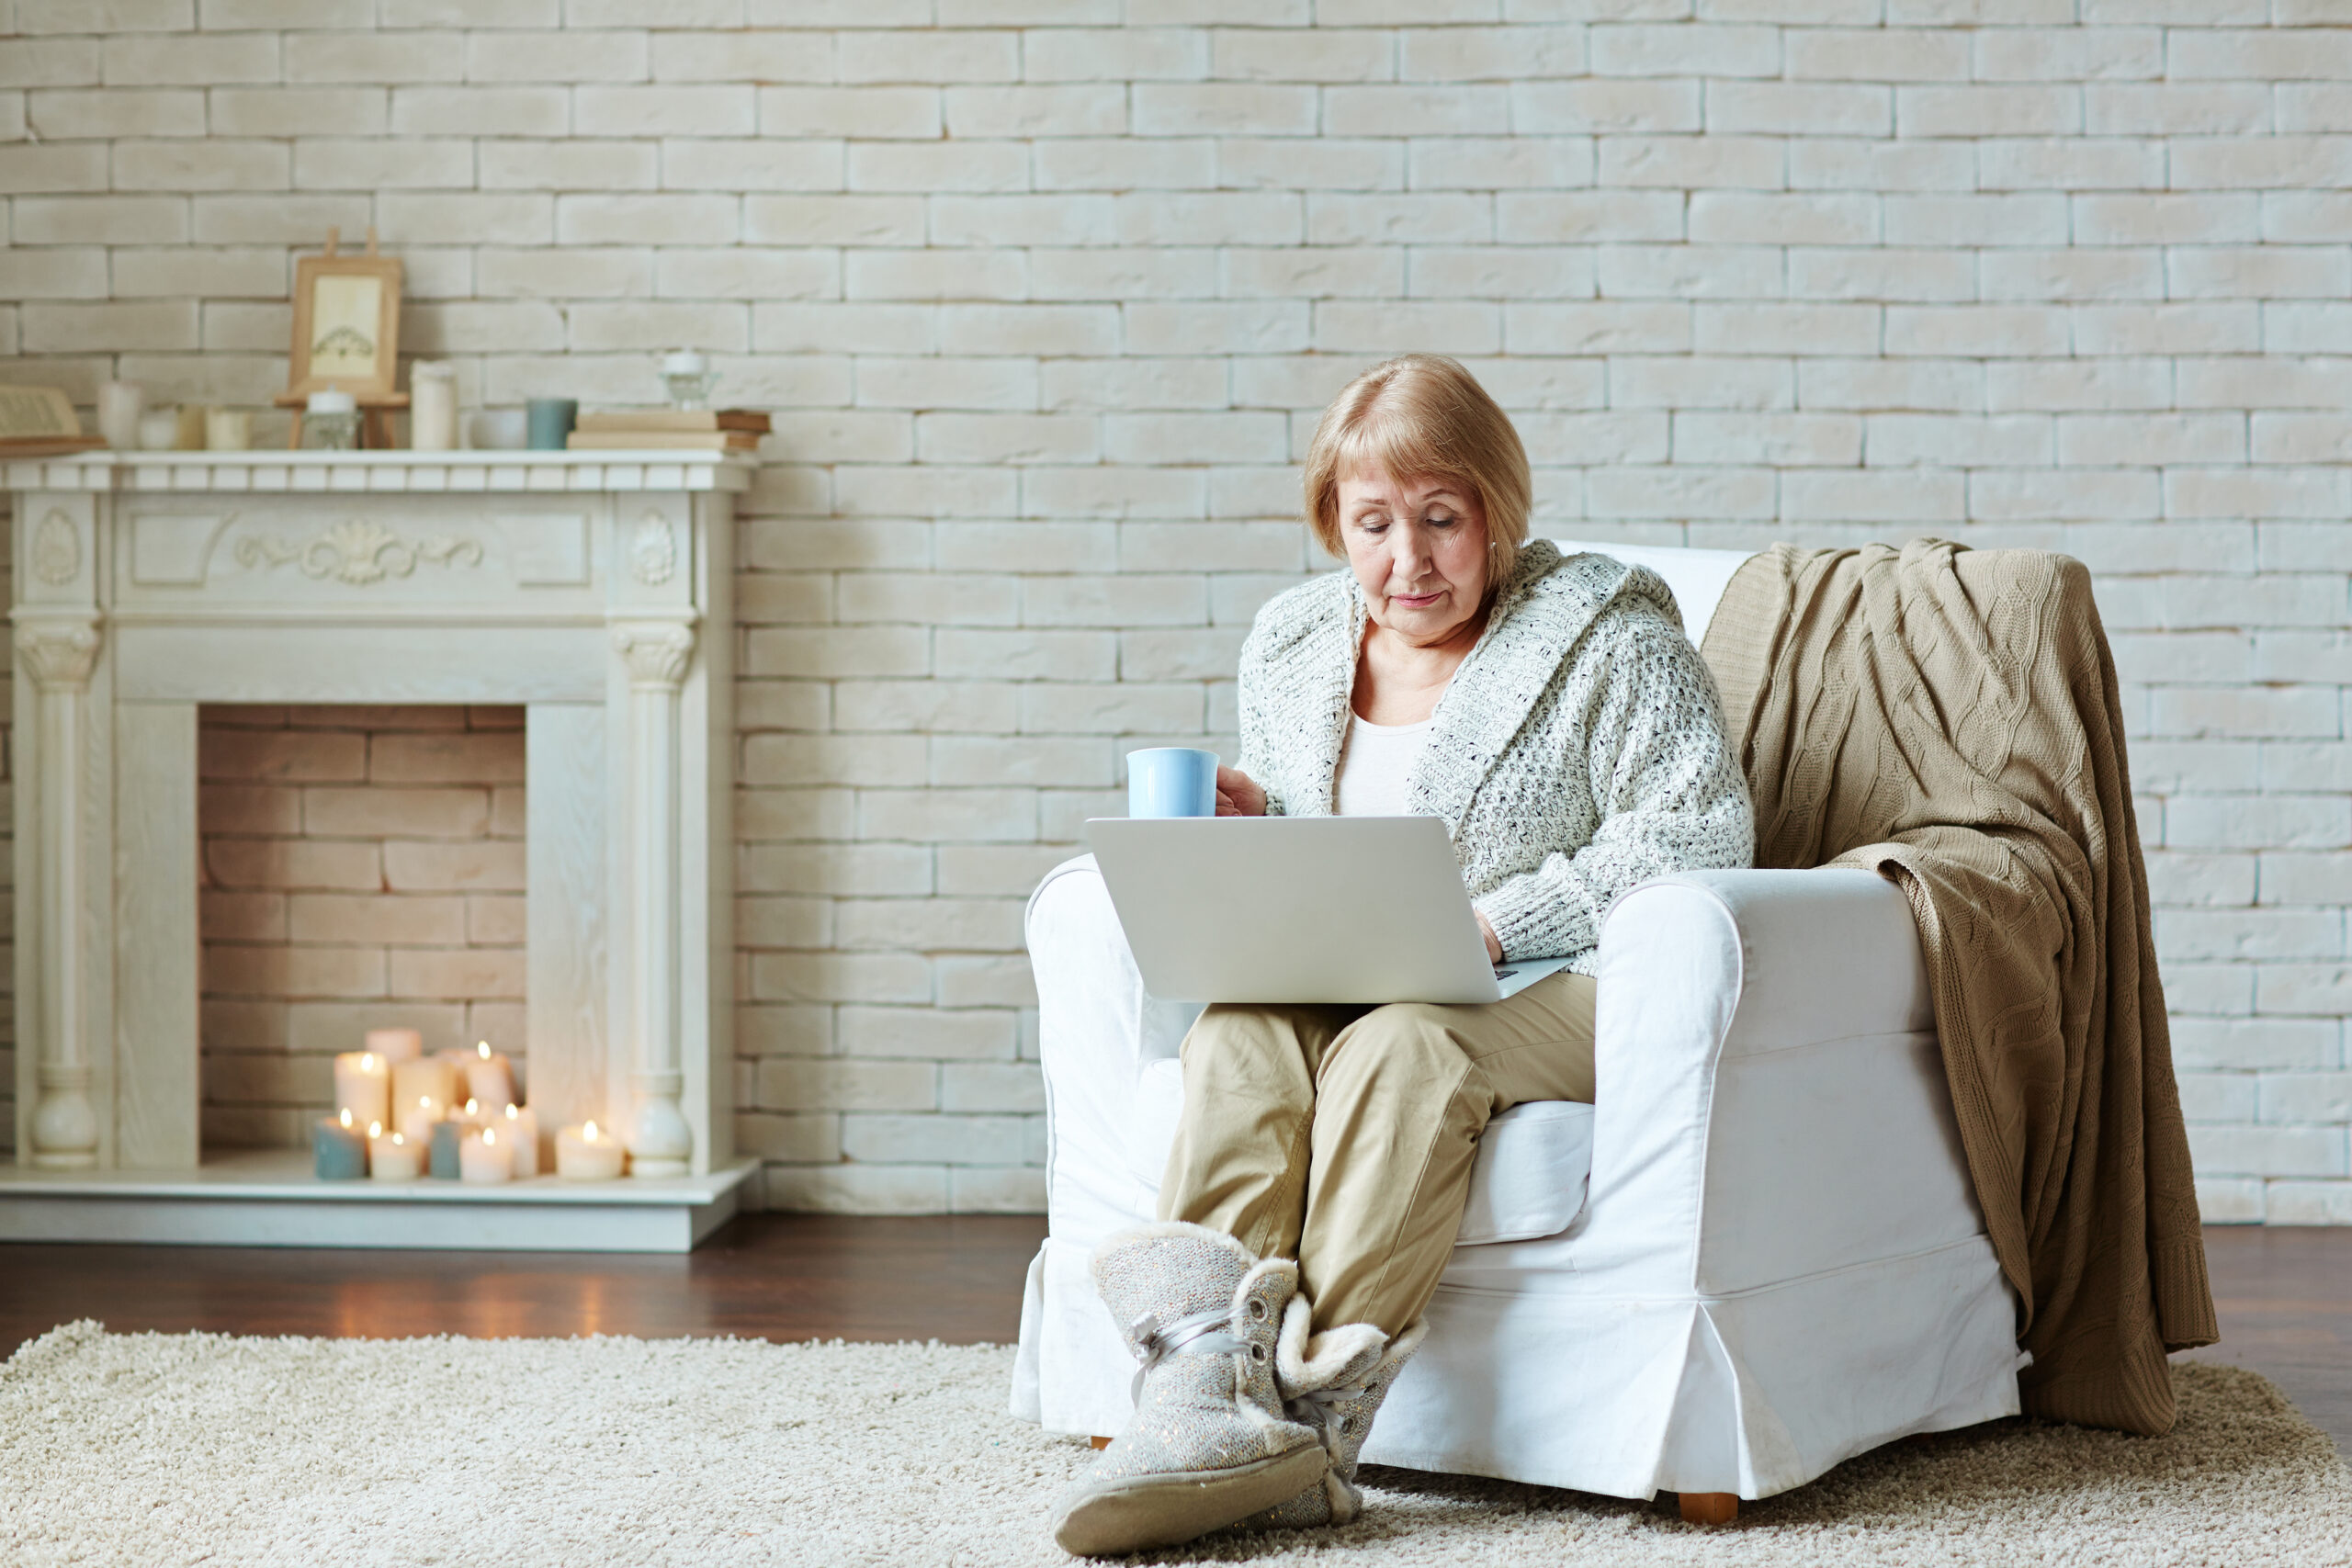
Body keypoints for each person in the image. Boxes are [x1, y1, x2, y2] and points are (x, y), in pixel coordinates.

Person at [1050, 355, 1756, 1557]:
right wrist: (1248, 825)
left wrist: (1501, 921)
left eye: (1443, 519)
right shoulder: (1292, 645)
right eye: (1375, 524)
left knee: (1407, 1043)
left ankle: (1311, 1427)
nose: (1409, 560)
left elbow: (1701, 829)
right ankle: (1196, 1394)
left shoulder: (1607, 638)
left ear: (1496, 512)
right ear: (1336, 522)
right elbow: (1333, 850)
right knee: (1239, 1031)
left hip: (1554, 985)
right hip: (1360, 965)